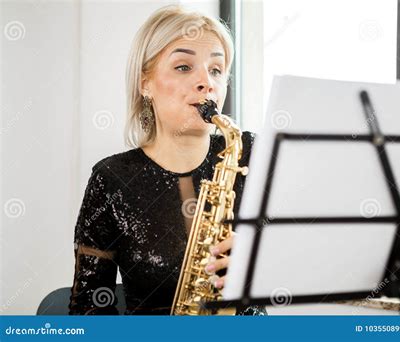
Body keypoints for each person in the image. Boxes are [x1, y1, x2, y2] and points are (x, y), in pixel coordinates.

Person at [68, 5, 266, 315]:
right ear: (144, 83)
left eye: (216, 69)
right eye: (184, 67)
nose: (207, 82)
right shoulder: (111, 178)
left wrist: (265, 261)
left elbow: (312, 251)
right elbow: (89, 309)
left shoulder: (250, 152)